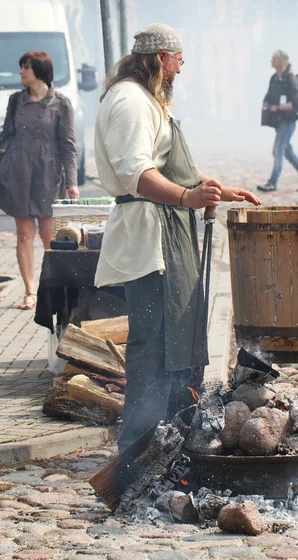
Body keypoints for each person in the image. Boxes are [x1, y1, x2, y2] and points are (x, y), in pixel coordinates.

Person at [94, 23, 260, 453]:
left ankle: (173, 445)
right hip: (152, 242)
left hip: (169, 238)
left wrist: (214, 187)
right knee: (154, 351)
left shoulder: (149, 100)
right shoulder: (131, 102)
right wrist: (188, 196)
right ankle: (140, 451)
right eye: (179, 61)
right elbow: (139, 175)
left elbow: (168, 164)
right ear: (160, 58)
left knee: (178, 347)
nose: (180, 71)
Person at [0, 51, 79, 310]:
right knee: (24, 234)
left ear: (40, 72)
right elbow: (5, 137)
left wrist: (72, 181)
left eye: (26, 68)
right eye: (21, 67)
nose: (21, 72)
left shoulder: (61, 103)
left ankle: (54, 287)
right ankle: (30, 291)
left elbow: (68, 146)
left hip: (47, 176)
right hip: (18, 175)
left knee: (49, 235)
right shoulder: (15, 101)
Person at [258, 50, 298, 193]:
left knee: (277, 150)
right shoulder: (275, 78)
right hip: (279, 122)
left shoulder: (290, 78)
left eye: (274, 58)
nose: (271, 60)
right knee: (287, 152)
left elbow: (296, 103)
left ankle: (272, 182)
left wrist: (278, 107)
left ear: (280, 61)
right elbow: (270, 96)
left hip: (288, 121)